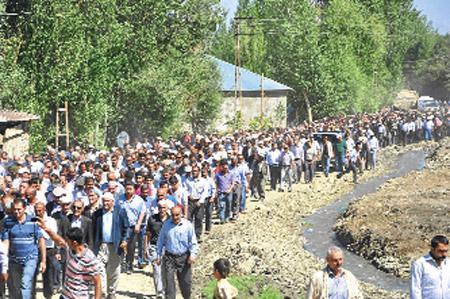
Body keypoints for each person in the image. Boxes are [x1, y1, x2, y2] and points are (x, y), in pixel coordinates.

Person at [36, 223, 102, 299]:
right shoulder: (70, 249)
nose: (66, 242)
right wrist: (45, 227)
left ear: (75, 243)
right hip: (65, 295)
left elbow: (98, 282)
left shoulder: (90, 259)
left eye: (68, 240)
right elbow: (57, 238)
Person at [2, 198, 46, 299]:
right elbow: (6, 241)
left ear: (25, 208)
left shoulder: (33, 221)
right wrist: (4, 261)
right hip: (14, 259)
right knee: (15, 287)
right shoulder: (8, 221)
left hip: (30, 258)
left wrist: (43, 260)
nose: (16, 212)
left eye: (19, 209)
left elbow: (41, 240)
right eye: (14, 209)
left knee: (25, 284)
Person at [156, 206, 198, 299]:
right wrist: (158, 255)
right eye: (173, 215)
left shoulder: (188, 225)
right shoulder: (166, 225)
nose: (175, 217)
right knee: (169, 284)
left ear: (181, 214)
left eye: (177, 215)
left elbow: (193, 242)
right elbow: (160, 241)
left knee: (185, 283)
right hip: (169, 257)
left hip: (184, 257)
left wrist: (193, 255)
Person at [92, 192, 128, 299]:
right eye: (104, 201)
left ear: (113, 202)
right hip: (101, 246)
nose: (105, 203)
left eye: (107, 201)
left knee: (113, 271)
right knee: (99, 269)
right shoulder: (97, 214)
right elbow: (93, 230)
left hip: (115, 246)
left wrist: (124, 240)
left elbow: (126, 228)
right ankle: (102, 292)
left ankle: (112, 292)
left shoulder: (120, 212)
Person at [410, 235, 450, 299]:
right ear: (432, 249)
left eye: (446, 251)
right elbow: (415, 289)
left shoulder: (448, 264)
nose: (444, 254)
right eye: (441, 251)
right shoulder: (420, 264)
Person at [147, 201, 169, 298]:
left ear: (167, 208)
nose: (162, 210)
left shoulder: (171, 219)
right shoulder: (152, 219)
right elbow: (148, 234)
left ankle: (166, 290)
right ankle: (159, 293)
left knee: (166, 270)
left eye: (164, 207)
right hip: (154, 246)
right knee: (156, 269)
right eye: (160, 207)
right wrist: (145, 248)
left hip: (168, 247)